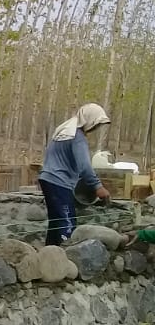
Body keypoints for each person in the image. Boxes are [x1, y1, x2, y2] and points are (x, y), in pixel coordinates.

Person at [39, 103, 111, 245]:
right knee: (67, 223)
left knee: (56, 223)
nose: (95, 129)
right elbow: (85, 167)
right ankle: (64, 256)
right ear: (89, 120)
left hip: (48, 178)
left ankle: (49, 254)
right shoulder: (77, 137)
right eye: (95, 124)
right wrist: (98, 187)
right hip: (59, 181)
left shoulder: (64, 131)